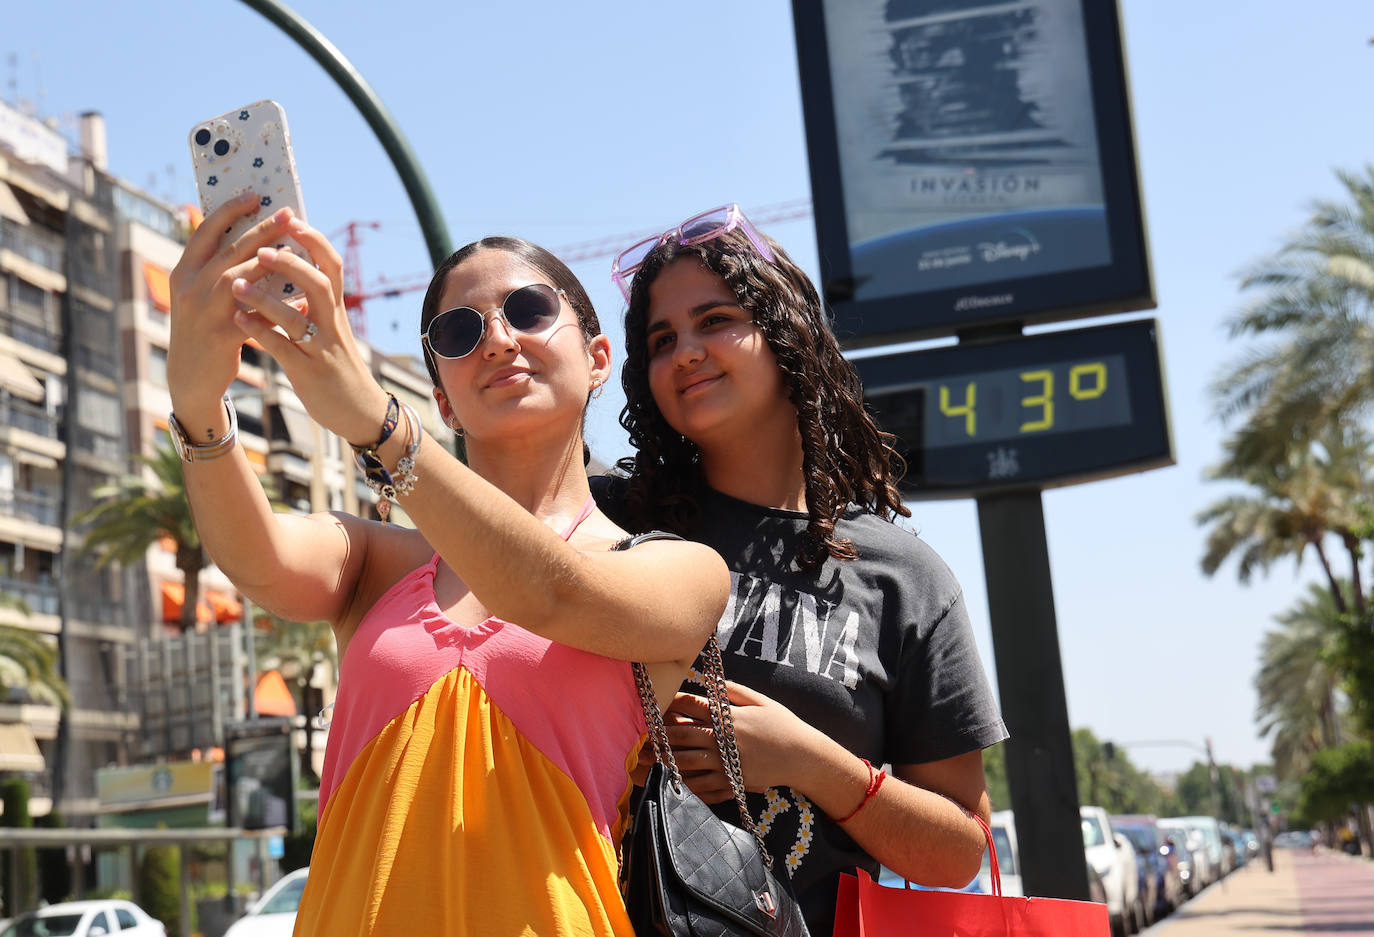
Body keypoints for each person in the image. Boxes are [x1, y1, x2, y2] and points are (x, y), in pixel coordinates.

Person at [166, 194, 728, 936]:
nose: (497, 338)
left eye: (529, 309)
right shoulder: (375, 561)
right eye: (460, 331)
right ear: (446, 403)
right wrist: (198, 402)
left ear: (597, 359)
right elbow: (258, 559)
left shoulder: (679, 570)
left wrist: (380, 425)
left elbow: (549, 593)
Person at [595, 204, 1009, 935]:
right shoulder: (608, 522)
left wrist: (808, 759)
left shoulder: (905, 578)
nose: (686, 350)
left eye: (716, 319)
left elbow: (958, 849)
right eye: (662, 339)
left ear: (788, 336)